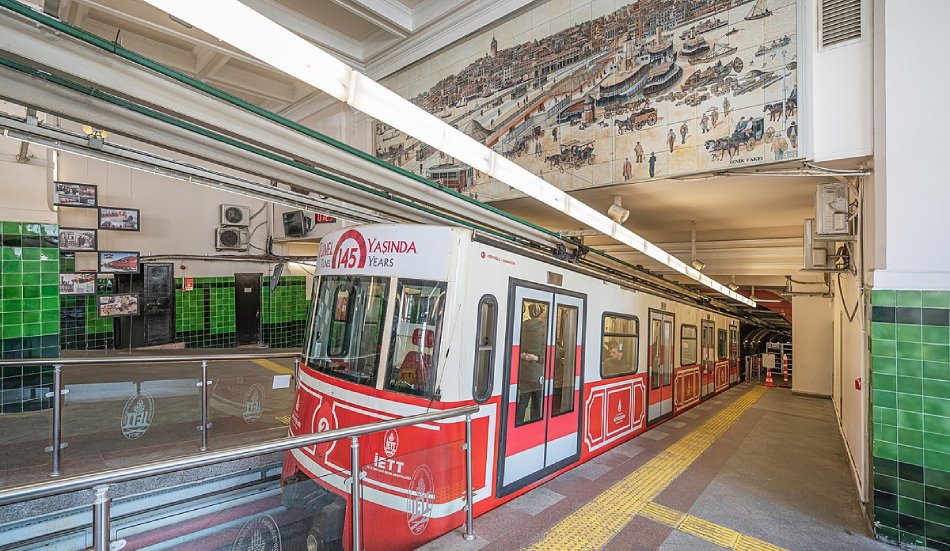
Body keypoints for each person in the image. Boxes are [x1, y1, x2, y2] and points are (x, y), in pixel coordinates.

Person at [517, 303, 547, 423]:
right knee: (537, 404)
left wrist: (523, 356)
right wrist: (535, 358)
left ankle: (518, 424)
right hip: (538, 374)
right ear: (540, 313)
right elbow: (549, 356)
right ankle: (535, 427)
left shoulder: (523, 326)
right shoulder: (544, 329)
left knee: (522, 403)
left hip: (524, 373)